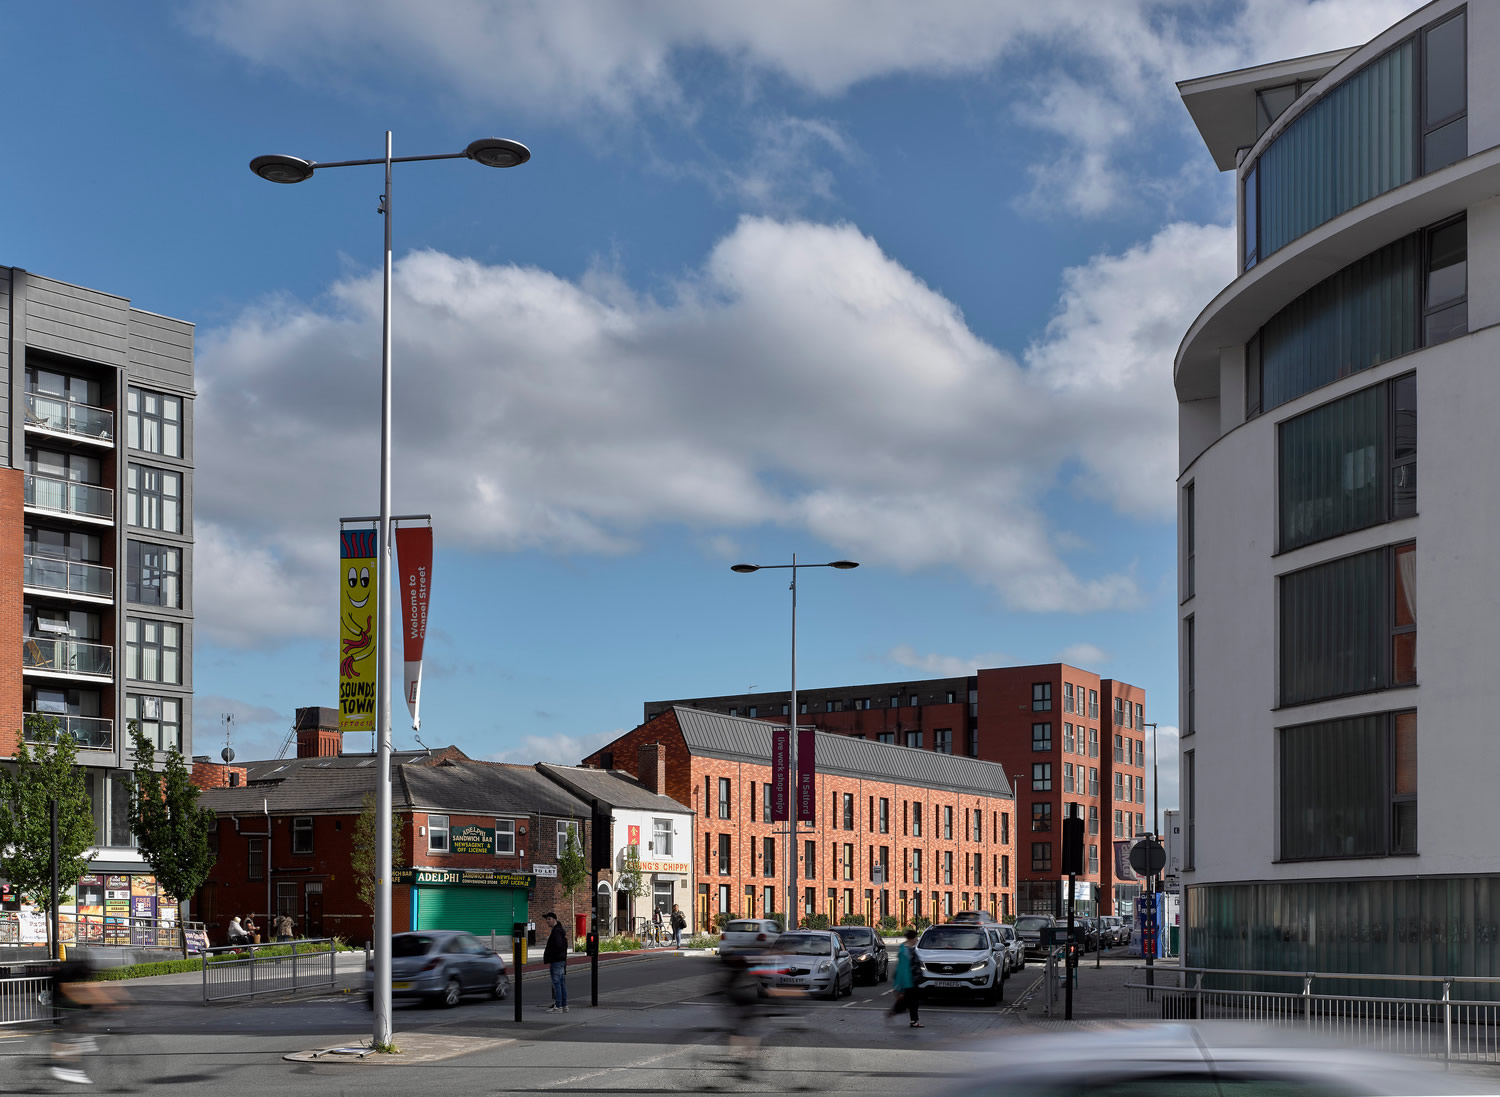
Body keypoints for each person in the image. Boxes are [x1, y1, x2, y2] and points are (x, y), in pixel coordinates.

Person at [888, 929, 922, 1027]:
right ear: (912, 938)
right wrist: (902, 984)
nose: (917, 939)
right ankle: (913, 1020)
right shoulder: (906, 951)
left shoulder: (908, 949)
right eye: (916, 938)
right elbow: (903, 969)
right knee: (913, 1001)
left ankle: (897, 1012)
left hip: (912, 979)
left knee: (910, 1001)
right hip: (910, 980)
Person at [542, 911, 568, 1013]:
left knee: (556, 984)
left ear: (554, 919)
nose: (547, 921)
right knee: (561, 984)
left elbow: (558, 945)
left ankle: (558, 1006)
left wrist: (551, 954)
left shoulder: (556, 931)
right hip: (561, 960)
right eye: (547, 919)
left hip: (556, 960)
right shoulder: (560, 930)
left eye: (549, 919)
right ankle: (564, 1005)